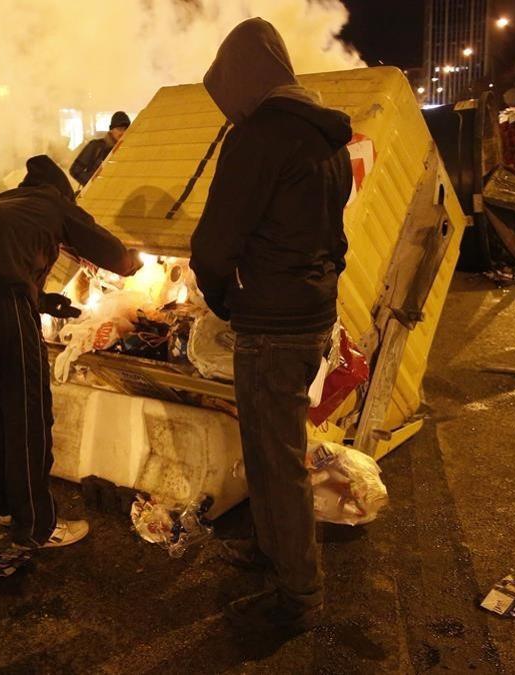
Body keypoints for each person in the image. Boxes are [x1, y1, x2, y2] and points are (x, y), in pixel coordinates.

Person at [190, 17, 353, 634]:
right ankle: (273, 550)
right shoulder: (327, 138)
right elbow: (336, 240)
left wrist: (225, 300)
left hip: (271, 324)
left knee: (274, 457)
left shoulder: (258, 137)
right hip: (310, 317)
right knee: (273, 449)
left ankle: (298, 593)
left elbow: (213, 247)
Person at [0, 155, 141, 553]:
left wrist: (42, 301)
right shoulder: (54, 203)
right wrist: (133, 263)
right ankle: (38, 526)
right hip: (1, 298)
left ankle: (8, 507)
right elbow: (109, 251)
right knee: (26, 410)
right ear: (62, 192)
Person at [68, 111, 131, 186]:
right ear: (111, 130)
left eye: (126, 129)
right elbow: (75, 170)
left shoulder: (128, 149)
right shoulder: (96, 146)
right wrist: (94, 184)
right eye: (119, 129)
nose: (123, 133)